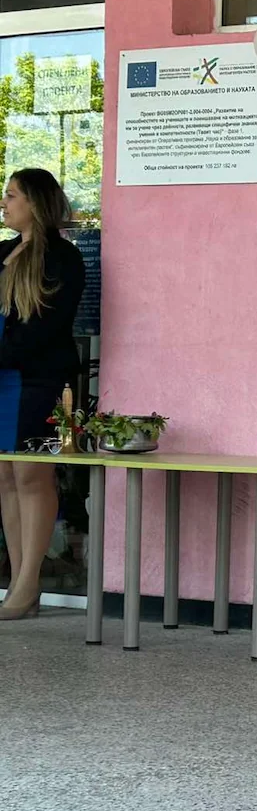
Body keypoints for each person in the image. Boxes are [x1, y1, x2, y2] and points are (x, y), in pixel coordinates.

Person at [0, 169, 84, 622]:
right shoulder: (3, 251)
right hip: (3, 381)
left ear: (35, 202)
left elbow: (47, 326)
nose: (4, 202)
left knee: (32, 476)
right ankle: (18, 580)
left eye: (12, 195)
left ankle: (29, 582)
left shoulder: (62, 257)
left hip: (39, 381)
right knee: (5, 477)